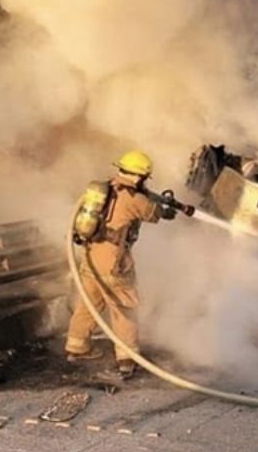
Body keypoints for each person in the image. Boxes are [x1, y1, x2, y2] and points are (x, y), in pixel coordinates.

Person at [66, 150, 178, 380]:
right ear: (139, 177)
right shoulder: (133, 198)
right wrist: (170, 209)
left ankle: (77, 347)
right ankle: (127, 359)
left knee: (89, 303)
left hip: (90, 259)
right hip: (114, 264)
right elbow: (155, 214)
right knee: (124, 309)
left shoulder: (103, 188)